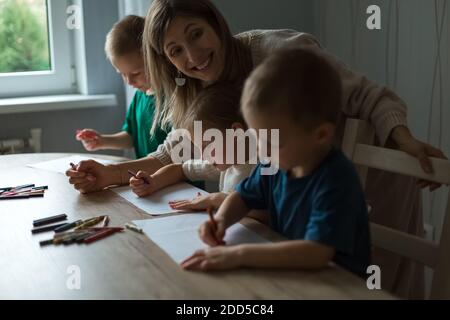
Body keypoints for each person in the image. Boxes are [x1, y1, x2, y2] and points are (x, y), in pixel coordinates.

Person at [66, 0, 447, 298]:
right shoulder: (210, 100)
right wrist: (112, 174)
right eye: (175, 51)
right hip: (292, 210)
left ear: (215, 22)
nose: (192, 56)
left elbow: (365, 95)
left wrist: (402, 137)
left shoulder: (278, 53)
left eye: (196, 34)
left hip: (367, 188)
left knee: (386, 286)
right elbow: (176, 151)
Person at [181, 48, 371, 277]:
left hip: (339, 286)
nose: (261, 149)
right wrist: (221, 220)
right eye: (257, 137)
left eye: (271, 141)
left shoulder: (337, 180)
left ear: (320, 135)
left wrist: (239, 255)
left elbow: (316, 253)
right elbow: (242, 197)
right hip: (294, 276)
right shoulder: (274, 163)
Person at [130, 83, 255, 211]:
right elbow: (180, 170)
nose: (203, 156)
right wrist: (154, 181)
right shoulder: (229, 162)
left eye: (207, 146)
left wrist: (214, 200)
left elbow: (263, 212)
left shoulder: (261, 169)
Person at [76, 15, 167, 159]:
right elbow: (131, 136)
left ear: (157, 60)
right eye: (122, 74)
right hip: (150, 179)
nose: (129, 81)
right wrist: (101, 141)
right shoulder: (139, 96)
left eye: (136, 73)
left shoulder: (175, 98)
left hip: (180, 181)